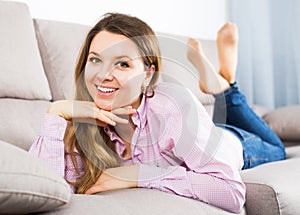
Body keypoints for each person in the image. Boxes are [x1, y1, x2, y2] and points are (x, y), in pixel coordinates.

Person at [28, 13, 285, 213]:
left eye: (122, 63)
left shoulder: (171, 107)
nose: (103, 75)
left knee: (277, 147)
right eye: (95, 59)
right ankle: (222, 84)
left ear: (148, 74)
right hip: (203, 134)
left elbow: (230, 192)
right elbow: (43, 190)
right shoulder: (80, 121)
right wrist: (54, 114)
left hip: (235, 146)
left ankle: (226, 89)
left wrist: (139, 175)